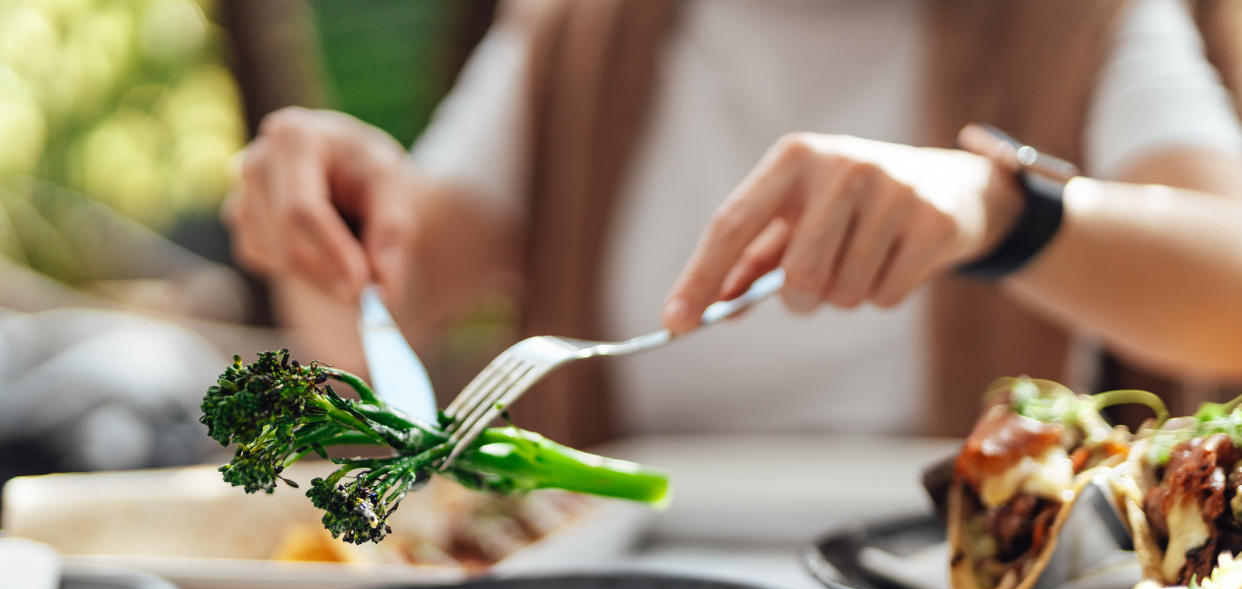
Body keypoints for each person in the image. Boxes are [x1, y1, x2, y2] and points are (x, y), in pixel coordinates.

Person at [223, 0, 1242, 445]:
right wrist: (319, 219)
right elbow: (375, 317)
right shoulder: (579, 34)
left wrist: (1002, 212)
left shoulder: (1081, 20)